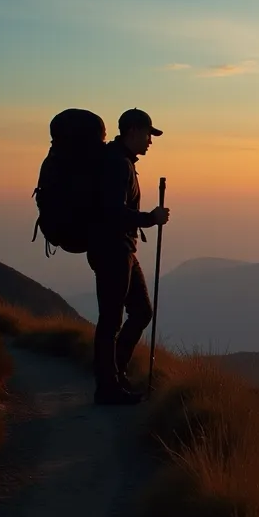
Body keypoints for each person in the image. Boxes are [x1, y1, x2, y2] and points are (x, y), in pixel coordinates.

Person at [88, 108, 171, 405]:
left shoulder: (119, 161)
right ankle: (107, 388)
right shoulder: (117, 164)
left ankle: (114, 375)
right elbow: (113, 212)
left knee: (141, 312)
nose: (150, 141)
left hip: (118, 249)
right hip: (112, 250)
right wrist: (150, 218)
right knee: (111, 321)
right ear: (133, 131)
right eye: (148, 134)